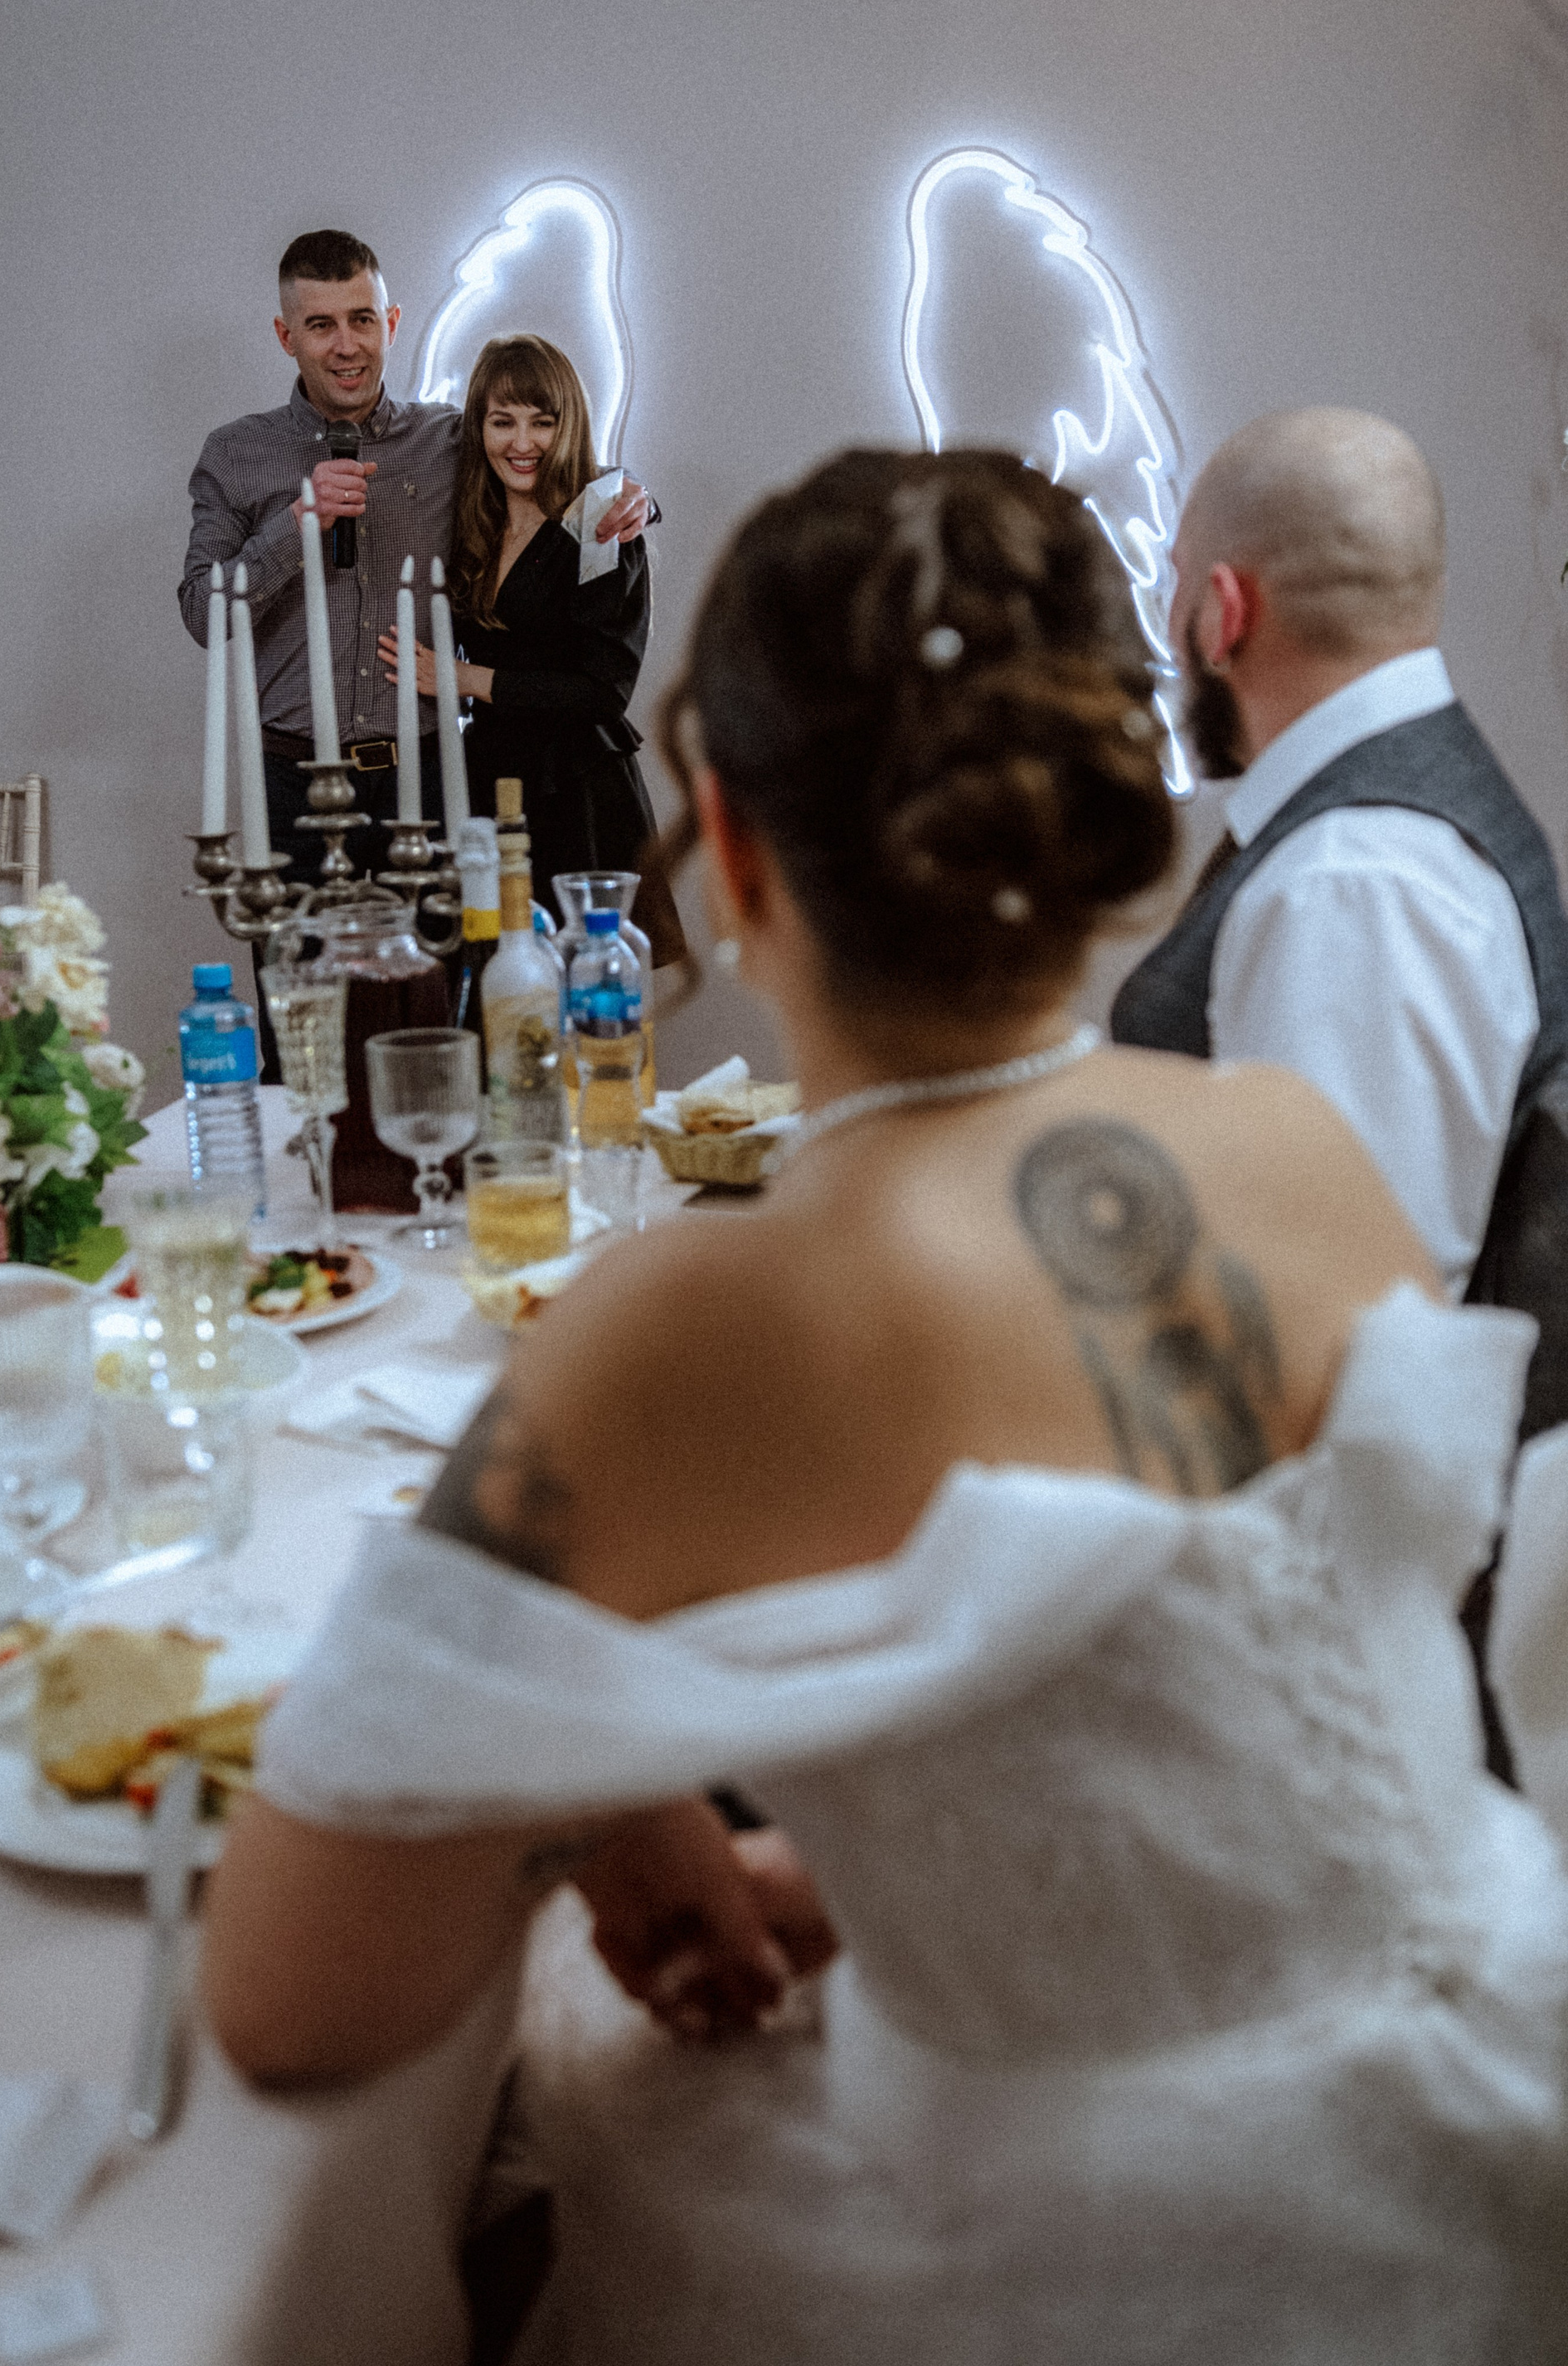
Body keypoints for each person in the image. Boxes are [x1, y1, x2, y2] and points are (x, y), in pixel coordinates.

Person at [204, 449, 1568, 2363]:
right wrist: (891, 1884)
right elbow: (1208, 1724)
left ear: (734, 849)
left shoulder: (684, 1321)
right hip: (1499, 2121)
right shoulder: (1300, 1148)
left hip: (1127, 2260)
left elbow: (289, 2003)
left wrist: (596, 1798)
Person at [1111, 408, 1568, 1427]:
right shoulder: (1375, 843)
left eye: (1176, 583)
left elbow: (1332, 1333)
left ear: (1224, 612)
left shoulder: (1353, 883)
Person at [179, 231, 650, 891]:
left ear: (391, 324)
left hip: (430, 777)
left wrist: (629, 497)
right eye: (321, 325)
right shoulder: (236, 454)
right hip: (293, 781)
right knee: (300, 961)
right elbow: (203, 613)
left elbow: (544, 464)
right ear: (287, 336)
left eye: (362, 320)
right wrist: (295, 527)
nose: (347, 345)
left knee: (441, 960)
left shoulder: (449, 440)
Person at [375, 333, 682, 960]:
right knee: (493, 982)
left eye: (542, 422)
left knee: (586, 990)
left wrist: (465, 679)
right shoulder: (472, 518)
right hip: (489, 780)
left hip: (576, 792)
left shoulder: (600, 518)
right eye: (503, 422)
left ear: (569, 425)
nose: (522, 443)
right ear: (478, 428)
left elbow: (603, 692)